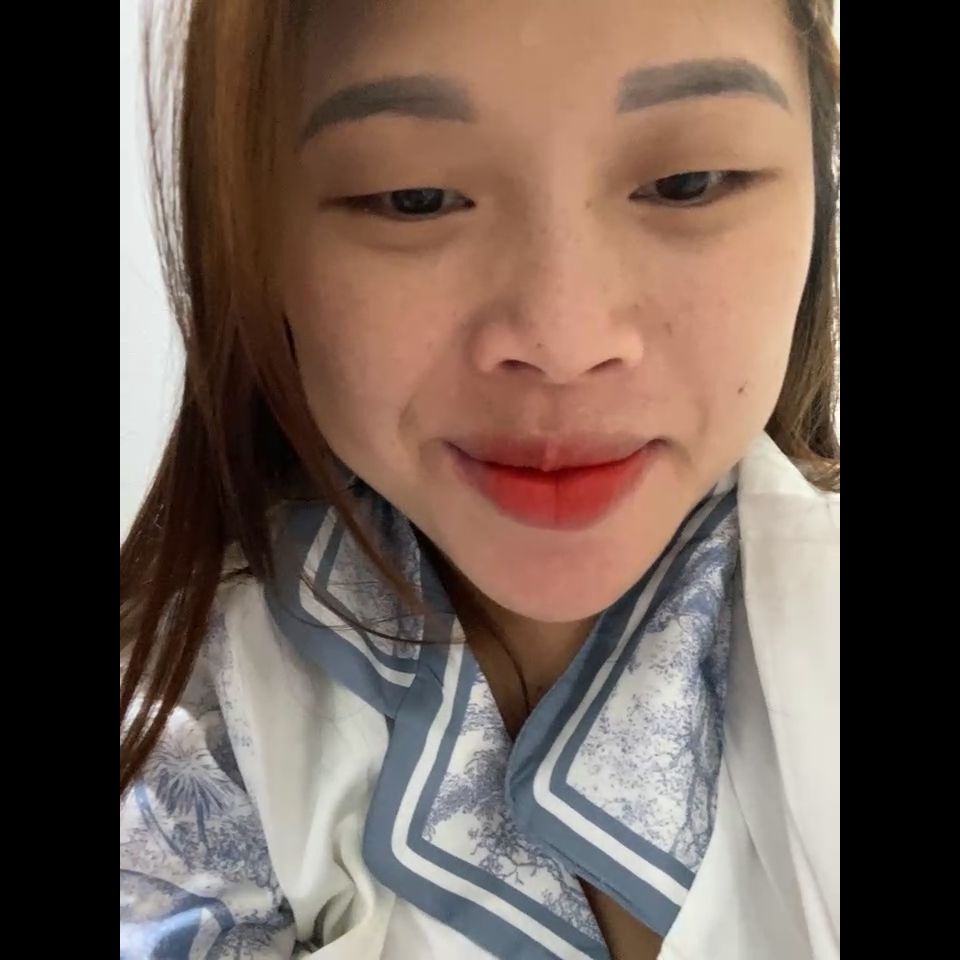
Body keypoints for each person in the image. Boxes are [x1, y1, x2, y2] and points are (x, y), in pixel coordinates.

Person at [120, 1, 839, 957]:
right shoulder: (198, 735)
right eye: (414, 198)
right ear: (253, 239)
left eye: (686, 184)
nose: (564, 342)